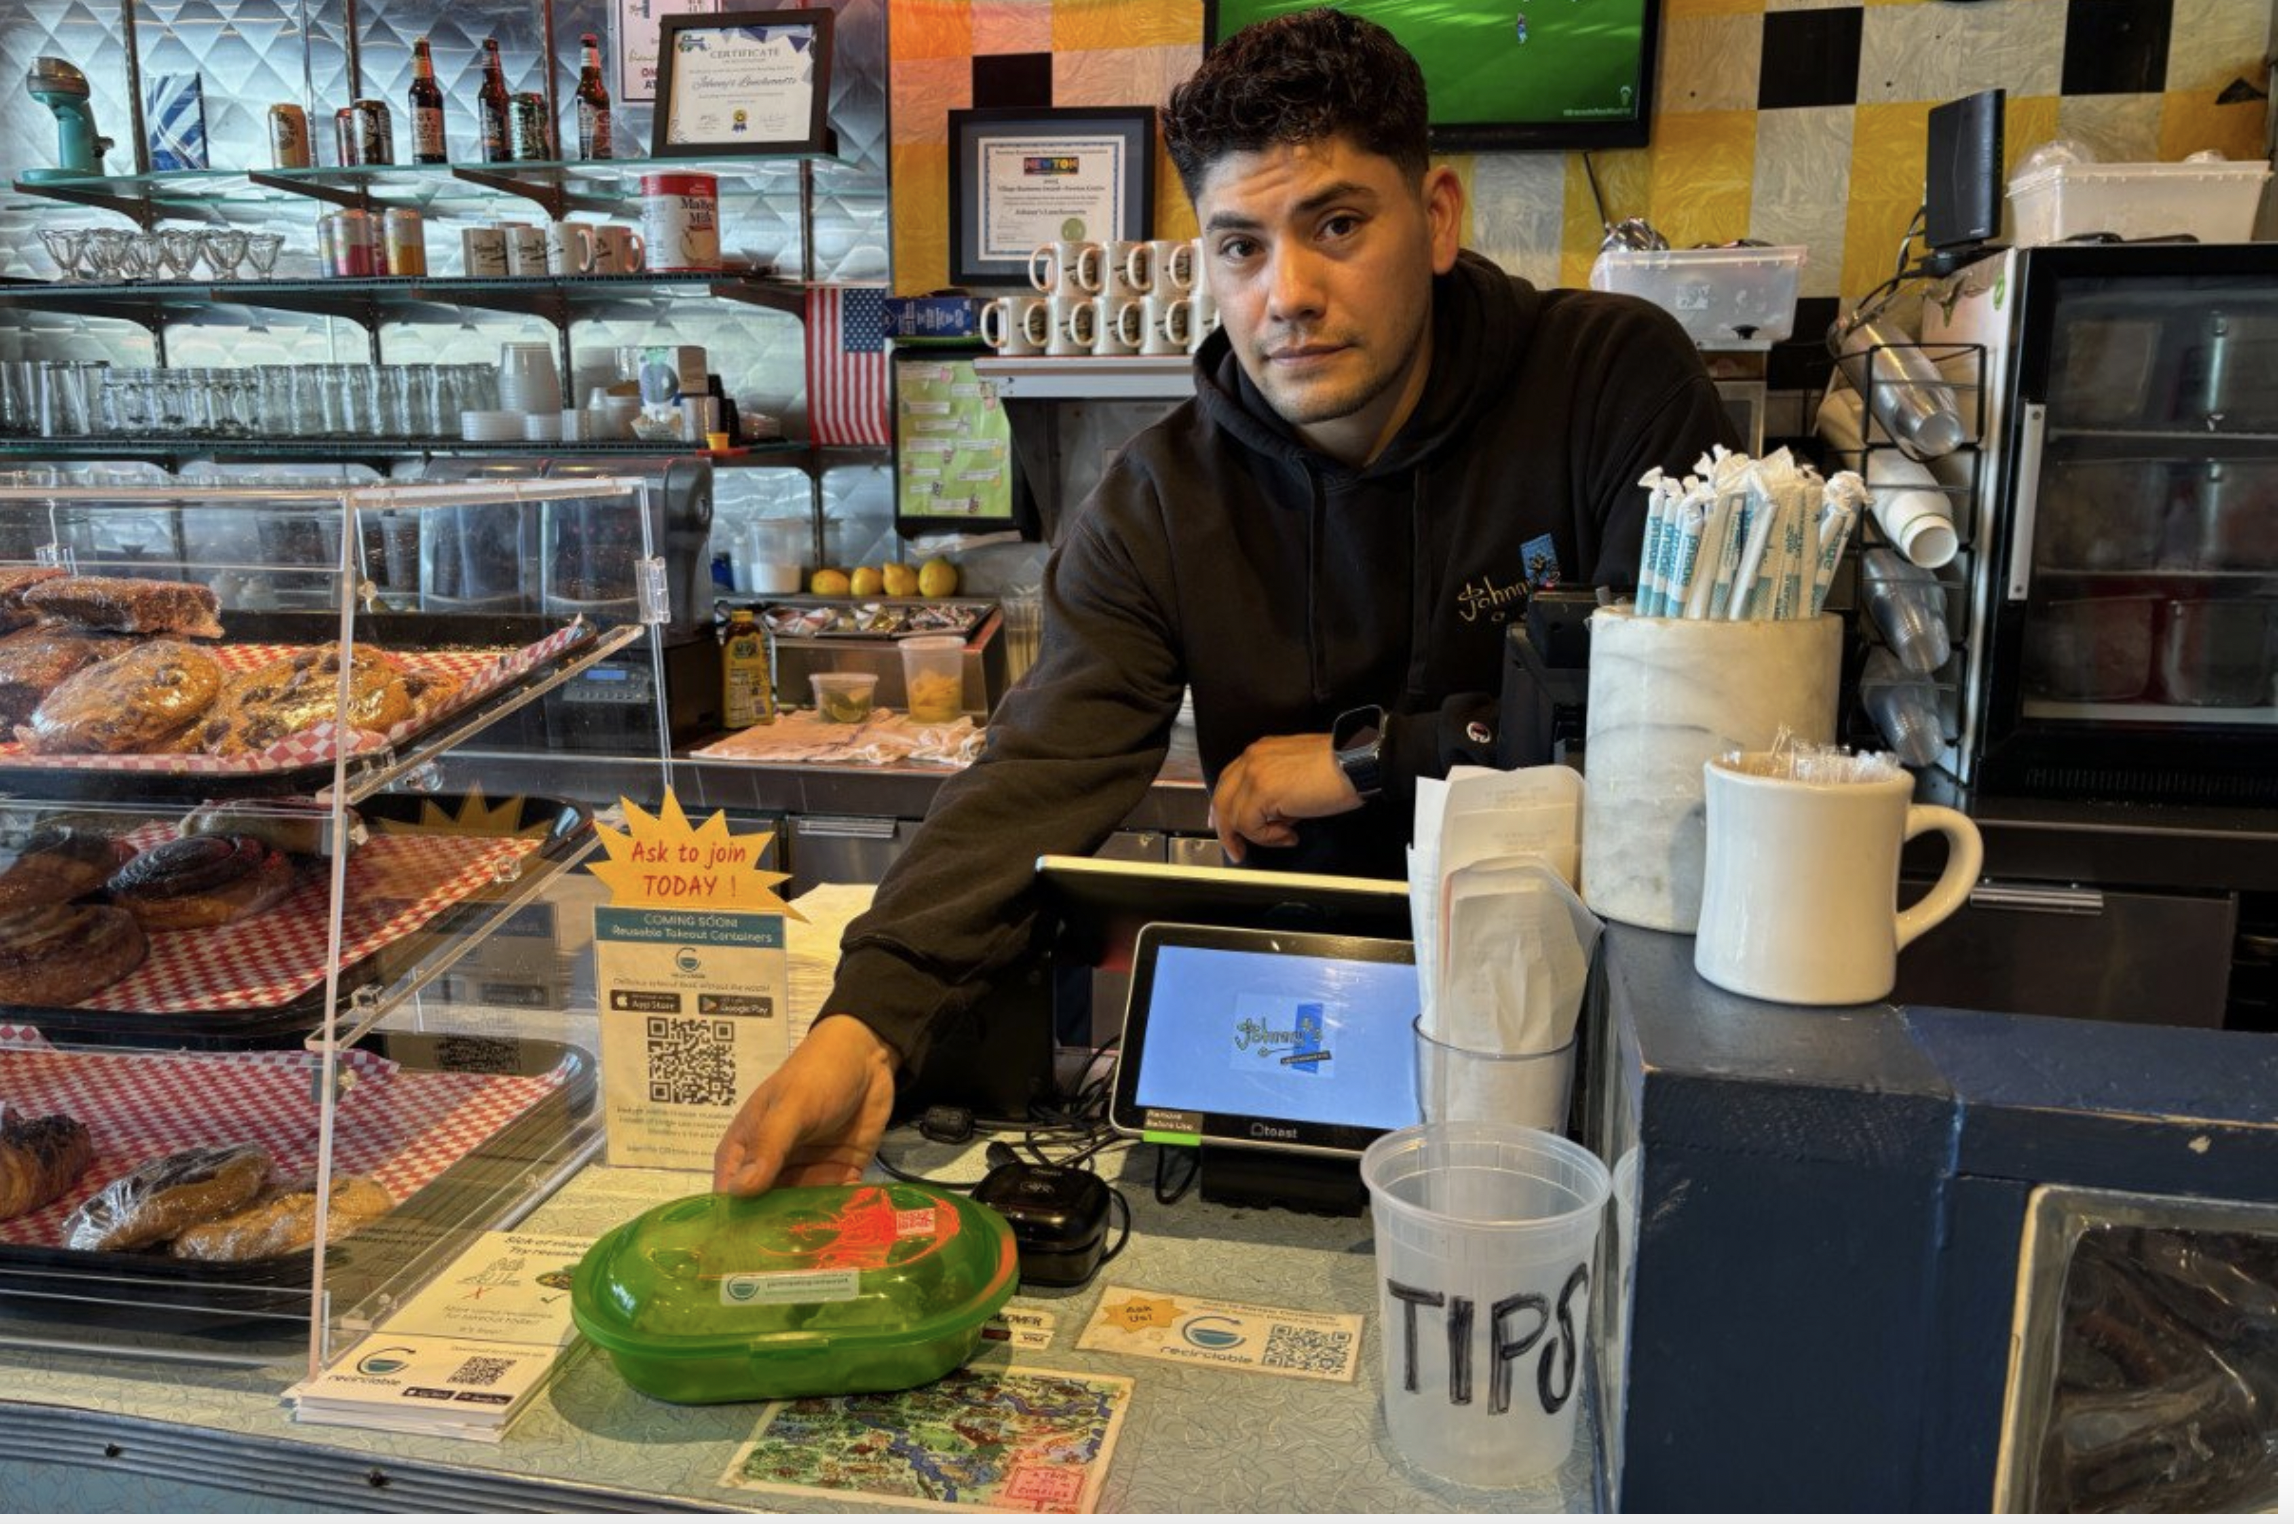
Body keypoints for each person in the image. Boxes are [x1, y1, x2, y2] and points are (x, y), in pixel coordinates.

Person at [714, 6, 1734, 1195]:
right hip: (1301, 1049)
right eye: (1240, 246)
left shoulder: (1606, 383)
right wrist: (864, 1025)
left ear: (1437, 217)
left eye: (1336, 225)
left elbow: (1679, 747)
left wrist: (1372, 758)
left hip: (1583, 1056)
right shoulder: (1158, 499)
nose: (1285, 294)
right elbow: (1036, 772)